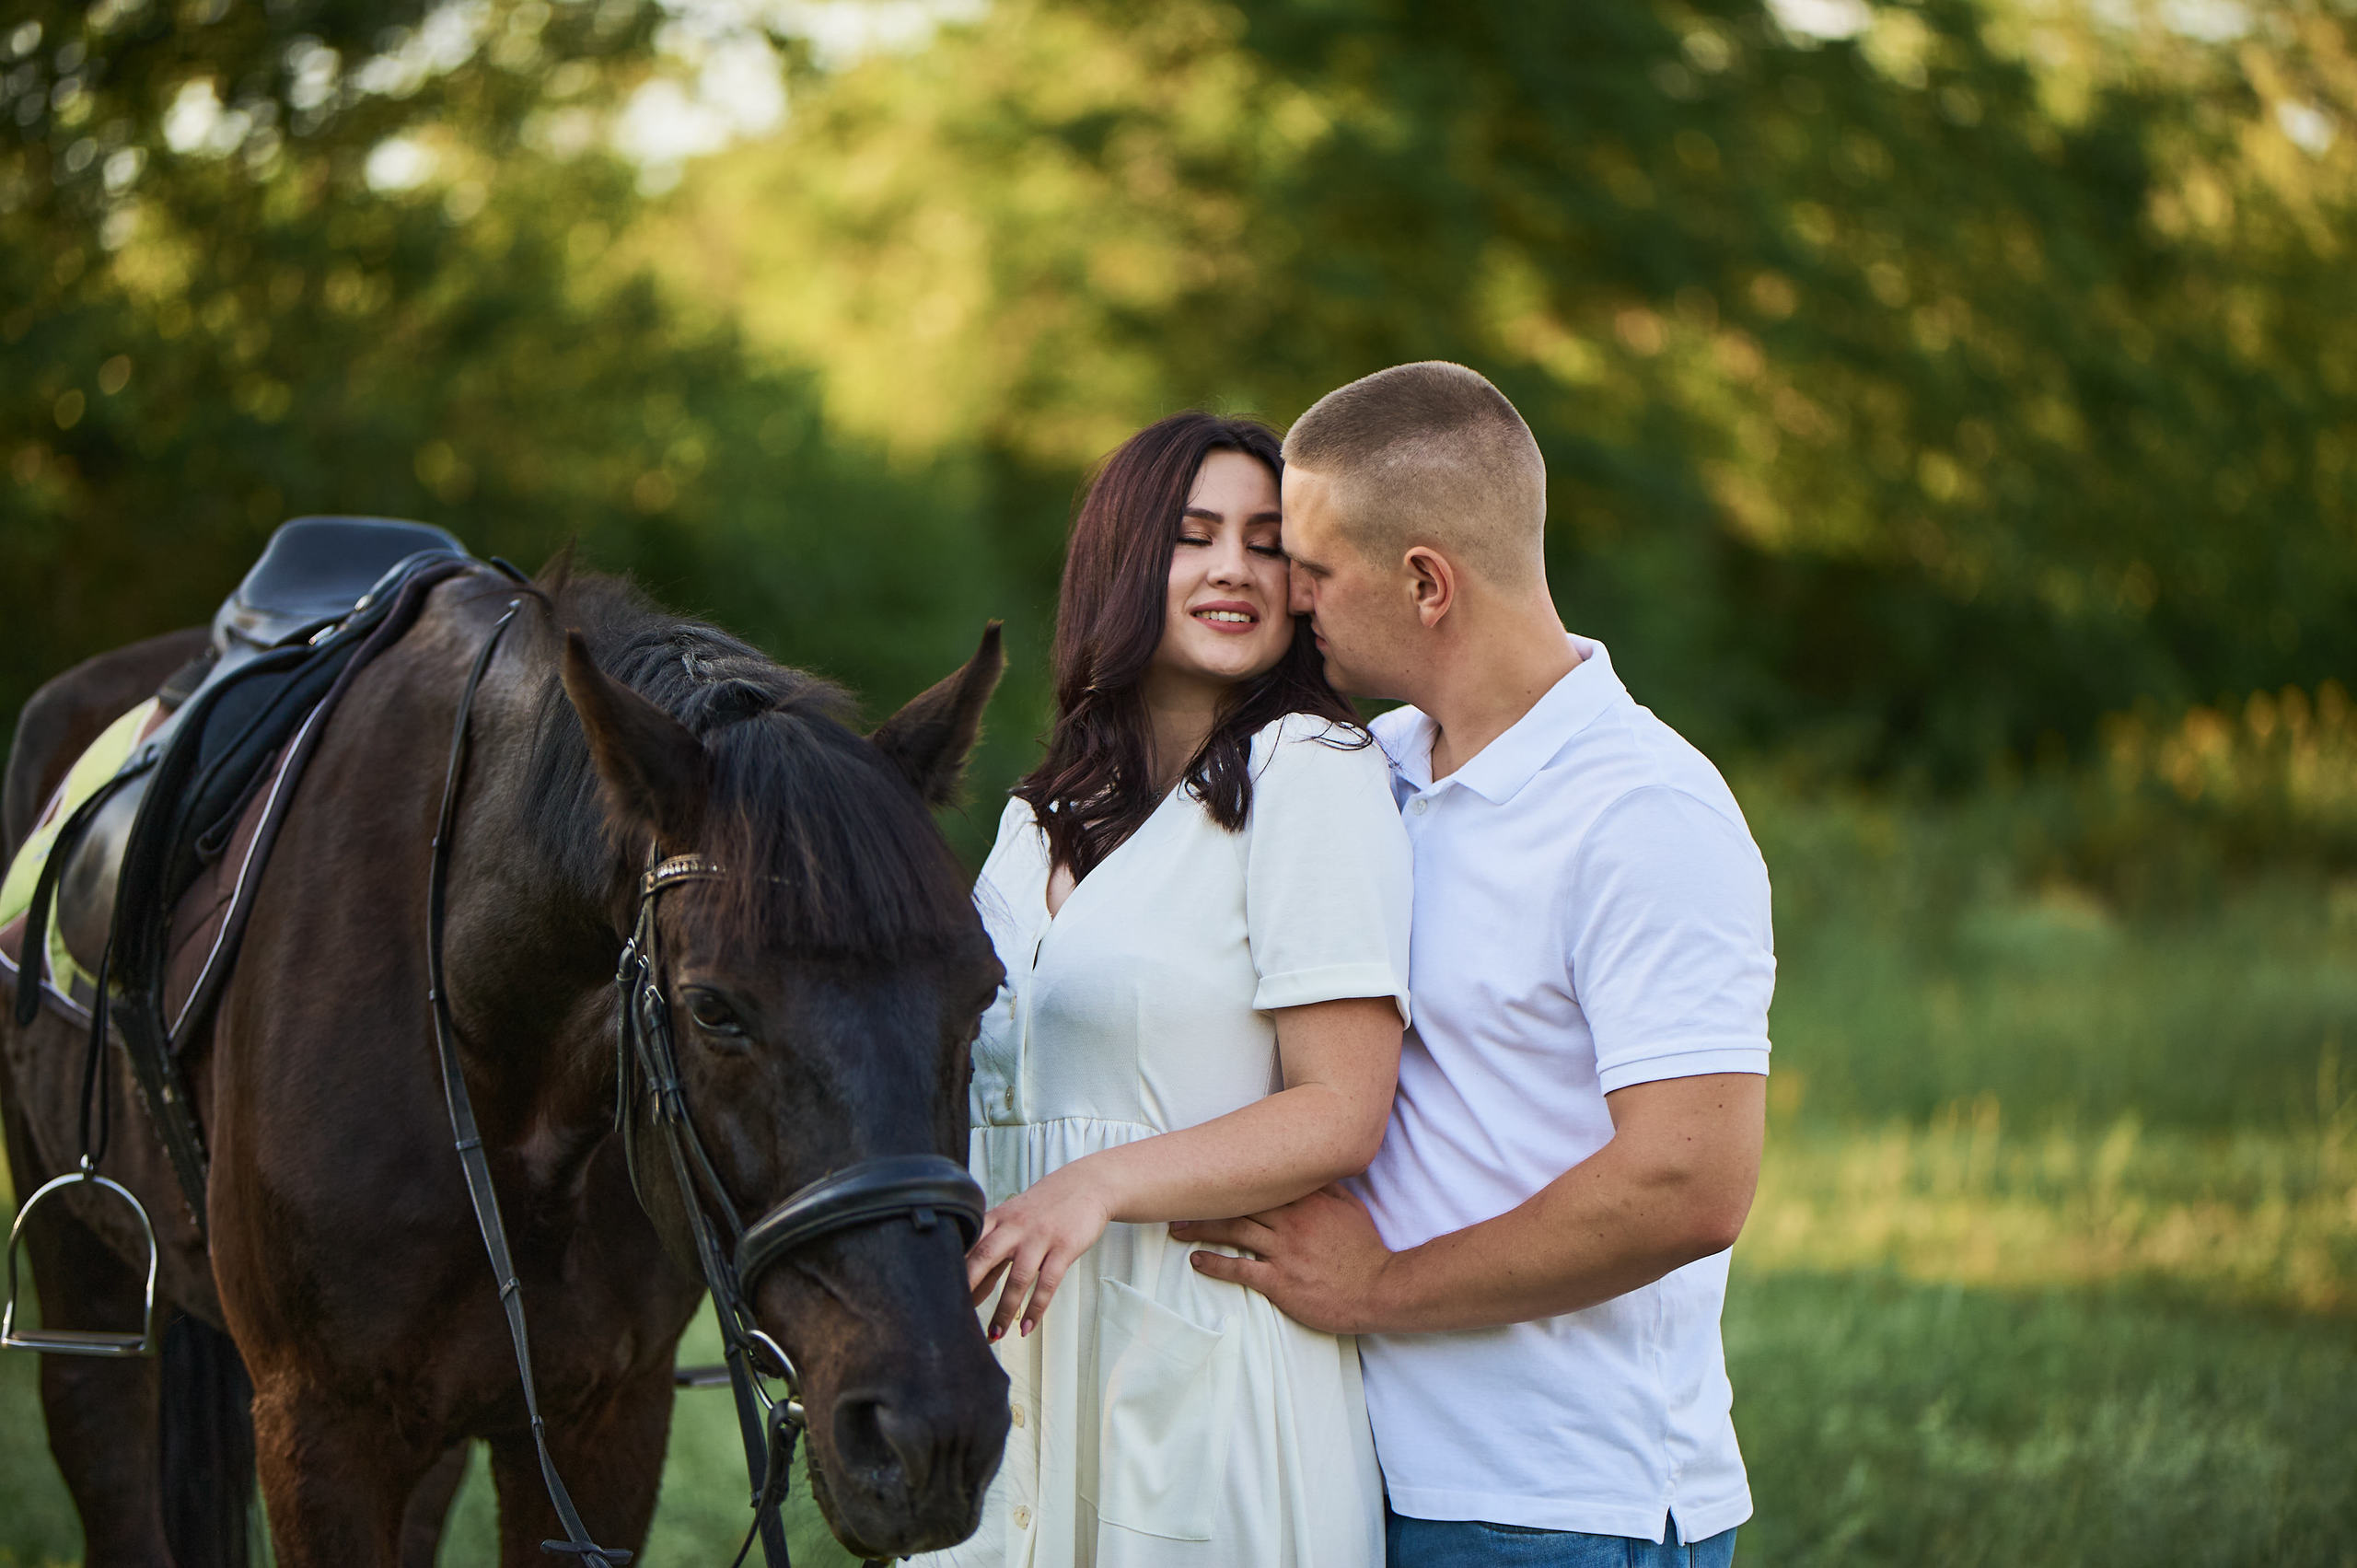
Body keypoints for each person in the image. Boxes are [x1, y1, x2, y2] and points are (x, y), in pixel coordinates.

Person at [1178, 362, 1773, 1568]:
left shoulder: (1644, 811)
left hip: (1555, 1506)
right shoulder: (1366, 772)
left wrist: (1381, 1285)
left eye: (1316, 566)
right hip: (1361, 1473)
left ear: (1426, 581)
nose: (1291, 598)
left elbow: (1691, 1178)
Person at [914, 412, 1412, 1568]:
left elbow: (1344, 1108)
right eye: (1193, 537)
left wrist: (1094, 1183)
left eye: (1263, 538)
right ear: (1122, 563)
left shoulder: (1311, 771)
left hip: (1199, 1356)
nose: (1235, 567)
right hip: (1005, 1365)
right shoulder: (1031, 817)